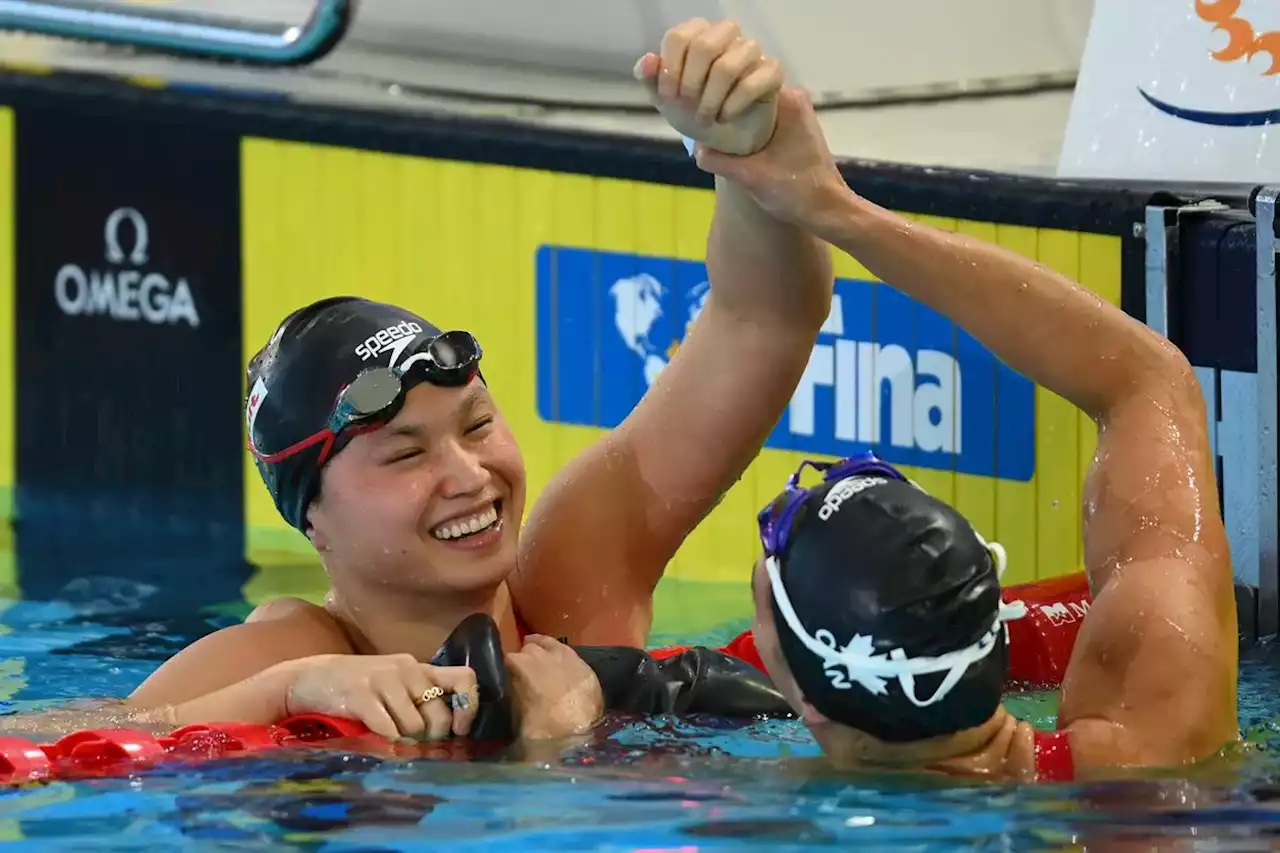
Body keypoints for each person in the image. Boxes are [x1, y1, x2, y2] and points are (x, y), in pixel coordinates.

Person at [102, 18, 835, 742]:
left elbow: (759, 323)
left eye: (477, 424)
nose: (469, 474)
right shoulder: (292, 653)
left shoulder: (573, 578)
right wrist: (284, 689)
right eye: (406, 452)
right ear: (314, 520)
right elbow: (35, 752)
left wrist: (742, 162)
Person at [694, 86, 1239, 779]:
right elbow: (1145, 379)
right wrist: (836, 209)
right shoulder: (1159, 719)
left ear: (803, 697)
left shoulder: (752, 815)